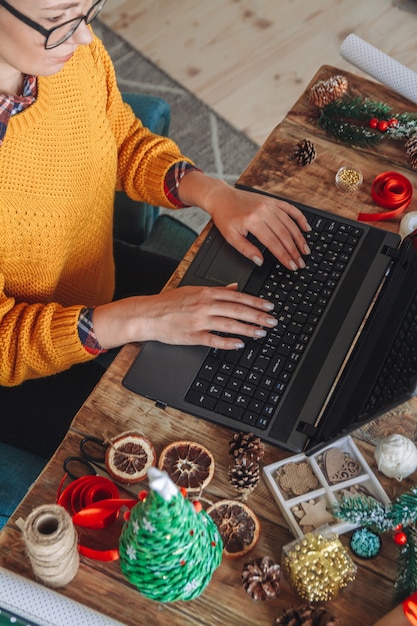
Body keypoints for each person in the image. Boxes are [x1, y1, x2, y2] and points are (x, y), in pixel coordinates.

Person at [0, 0, 311, 458]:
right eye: (58, 20)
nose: (85, 37)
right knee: (187, 449)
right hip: (16, 367)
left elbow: (119, 135)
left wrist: (214, 194)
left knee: (275, 323)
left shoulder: (67, 54)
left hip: (90, 278)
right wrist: (142, 317)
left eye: (88, 10)